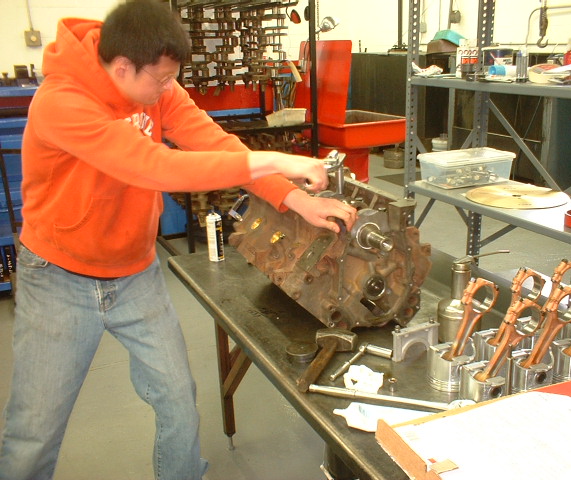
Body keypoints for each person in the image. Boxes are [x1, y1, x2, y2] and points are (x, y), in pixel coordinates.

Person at [0, 1, 357, 479]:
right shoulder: (62, 102)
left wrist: (297, 201)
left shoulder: (154, 85)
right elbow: (154, 166)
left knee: (177, 402)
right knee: (35, 431)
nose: (169, 89)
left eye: (173, 78)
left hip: (134, 274)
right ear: (122, 67)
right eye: (162, 80)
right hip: (58, 278)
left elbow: (215, 143)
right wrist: (275, 161)